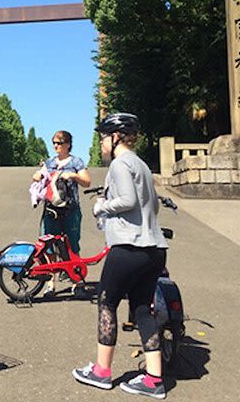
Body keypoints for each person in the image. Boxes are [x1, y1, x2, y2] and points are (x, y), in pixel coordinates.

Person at [72, 113, 168, 399]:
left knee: (107, 302)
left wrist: (102, 206)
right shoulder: (142, 165)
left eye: (103, 136)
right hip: (154, 249)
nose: (101, 142)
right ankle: (154, 379)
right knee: (141, 309)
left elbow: (127, 200)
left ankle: (101, 371)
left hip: (129, 248)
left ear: (115, 137)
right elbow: (153, 208)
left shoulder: (120, 164)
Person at [32, 130, 91, 297]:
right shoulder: (50, 162)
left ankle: (77, 281)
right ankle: (51, 284)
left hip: (70, 209)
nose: (56, 146)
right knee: (50, 248)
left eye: (59, 143)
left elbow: (87, 181)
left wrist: (73, 175)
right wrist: (38, 176)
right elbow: (37, 175)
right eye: (54, 143)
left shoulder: (76, 162)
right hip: (52, 210)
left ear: (68, 145)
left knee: (72, 245)